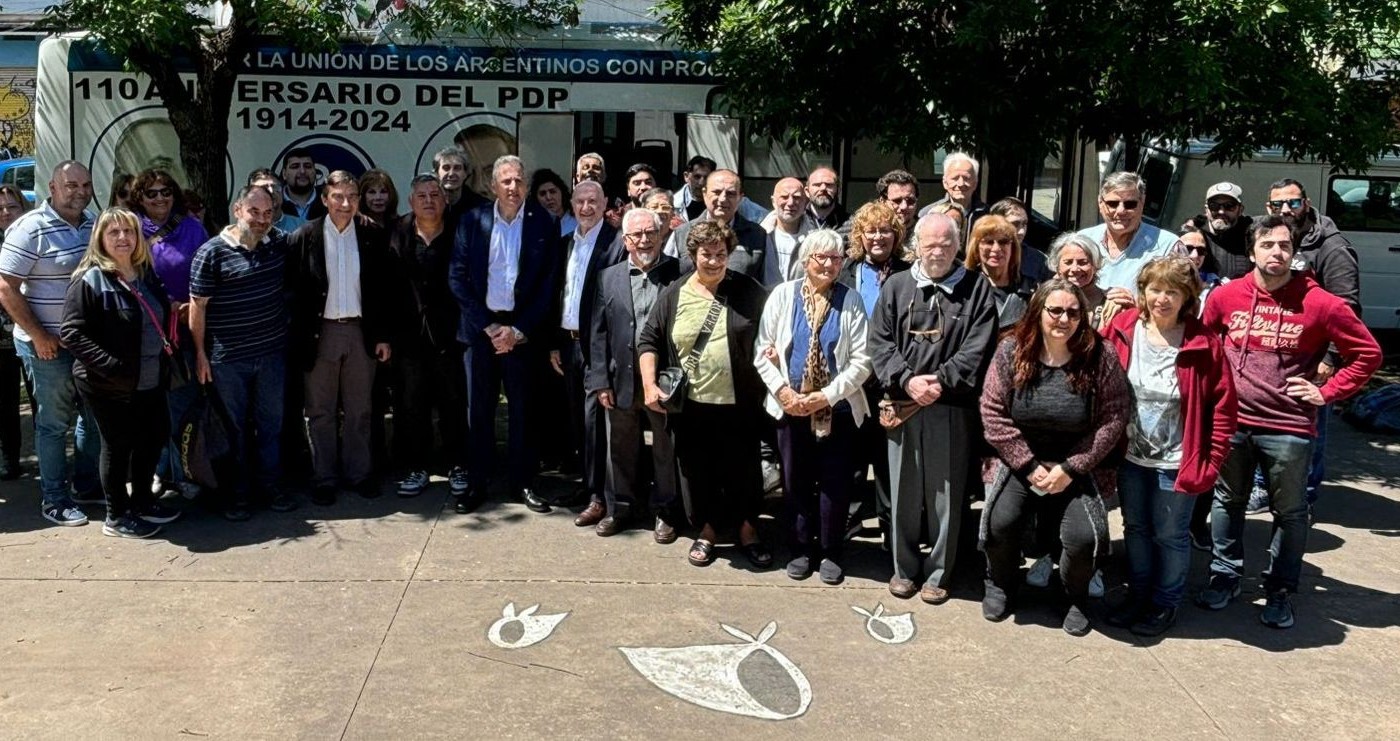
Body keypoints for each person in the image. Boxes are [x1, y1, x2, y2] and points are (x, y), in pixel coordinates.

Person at [1198, 215, 1381, 628]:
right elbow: (1205, 345)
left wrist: (1327, 392)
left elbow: (1368, 354)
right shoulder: (1226, 297)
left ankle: (1280, 590)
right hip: (1232, 422)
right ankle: (1224, 577)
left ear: (1294, 252)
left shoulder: (1320, 302)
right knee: (1227, 502)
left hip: (1289, 427)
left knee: (1291, 512)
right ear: (1251, 252)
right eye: (1267, 245)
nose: (1277, 252)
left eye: (1284, 245)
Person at [979, 278, 1130, 635]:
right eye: (1056, 310)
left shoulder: (1100, 355)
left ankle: (1072, 595)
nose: (1064, 319)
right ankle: (1000, 583)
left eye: (1073, 313)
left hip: (1076, 463)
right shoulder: (1012, 350)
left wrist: (1071, 467)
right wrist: (1028, 465)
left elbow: (1114, 417)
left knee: (1084, 538)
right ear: (1038, 311)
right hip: (1021, 460)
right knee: (1000, 522)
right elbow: (992, 410)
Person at [1102, 257, 1237, 636]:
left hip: (1178, 461)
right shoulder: (1123, 328)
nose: (1162, 299)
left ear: (1187, 297)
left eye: (1172, 292)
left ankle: (1165, 603)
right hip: (1130, 456)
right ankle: (1138, 595)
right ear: (1143, 291)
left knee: (1170, 535)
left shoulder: (1203, 343)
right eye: (1155, 289)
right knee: (1136, 529)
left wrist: (1212, 462)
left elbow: (1224, 409)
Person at [869, 213, 998, 604]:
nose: (937, 251)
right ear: (917, 246)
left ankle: (940, 572)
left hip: (951, 407)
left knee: (947, 495)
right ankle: (904, 569)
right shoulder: (896, 286)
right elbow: (880, 342)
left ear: (958, 246)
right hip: (902, 404)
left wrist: (941, 381)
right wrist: (907, 379)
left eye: (945, 244)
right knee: (903, 492)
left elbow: (978, 347)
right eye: (930, 244)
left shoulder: (977, 288)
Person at [638, 220, 772, 569]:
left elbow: (774, 327)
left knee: (744, 472)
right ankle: (708, 531)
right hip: (692, 406)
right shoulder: (675, 293)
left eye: (720, 254)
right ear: (693, 255)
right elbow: (649, 339)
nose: (714, 261)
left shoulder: (748, 290)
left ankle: (748, 531)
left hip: (740, 404)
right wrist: (650, 385)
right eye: (706, 255)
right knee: (698, 474)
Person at [755, 229, 872, 585]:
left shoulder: (851, 300)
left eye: (836, 258)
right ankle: (800, 547)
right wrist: (784, 393)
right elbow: (762, 350)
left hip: (837, 409)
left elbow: (862, 360)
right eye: (822, 257)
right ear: (806, 261)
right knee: (795, 481)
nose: (829, 264)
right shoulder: (783, 295)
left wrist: (826, 396)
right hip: (790, 408)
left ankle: (831, 551)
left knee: (836, 483)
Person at [60, 208, 182, 538]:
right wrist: (110, 366)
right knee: (118, 446)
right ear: (100, 238)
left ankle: (142, 501)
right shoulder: (89, 278)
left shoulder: (145, 272)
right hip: (107, 383)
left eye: (129, 231)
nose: (123, 238)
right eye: (113, 232)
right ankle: (116, 516)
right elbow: (71, 333)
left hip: (150, 377)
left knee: (153, 437)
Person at [449, 155, 561, 513]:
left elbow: (548, 284)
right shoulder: (472, 220)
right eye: (506, 181)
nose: (513, 187)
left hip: (521, 332)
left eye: (518, 180)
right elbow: (457, 277)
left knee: (523, 411)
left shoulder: (544, 222)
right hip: (481, 330)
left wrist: (518, 329)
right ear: (492, 186)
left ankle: (523, 482)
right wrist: (489, 326)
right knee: (479, 411)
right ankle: (477, 483)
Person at [0, 161, 102, 525]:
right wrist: (40, 336)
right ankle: (55, 498)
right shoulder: (30, 228)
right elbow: (5, 287)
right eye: (71, 185)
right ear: (53, 188)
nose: (80, 192)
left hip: (87, 345)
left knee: (94, 419)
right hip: (47, 346)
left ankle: (87, 486)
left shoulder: (94, 224)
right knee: (54, 423)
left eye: (85, 185)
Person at [188, 185, 297, 520]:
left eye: (268, 213)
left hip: (271, 355)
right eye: (254, 212)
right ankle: (237, 494)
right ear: (238, 210)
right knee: (232, 430)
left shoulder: (277, 244)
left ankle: (271, 487)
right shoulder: (211, 253)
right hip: (227, 360)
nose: (261, 219)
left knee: (271, 425)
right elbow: (197, 307)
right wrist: (200, 354)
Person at [286, 171, 394, 506]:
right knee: (320, 411)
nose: (346, 204)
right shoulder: (304, 236)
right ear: (325, 199)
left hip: (360, 332)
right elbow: (292, 293)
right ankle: (324, 478)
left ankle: (359, 474)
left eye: (352, 197)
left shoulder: (372, 235)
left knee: (360, 409)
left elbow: (382, 292)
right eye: (338, 196)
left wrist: (382, 336)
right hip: (321, 334)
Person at [1262, 177, 1362, 510]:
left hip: (1314, 359)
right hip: (1275, 354)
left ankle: (1302, 498)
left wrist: (1331, 358)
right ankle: (1269, 490)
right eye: (1278, 204)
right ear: (1268, 207)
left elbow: (1347, 308)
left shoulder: (1332, 247)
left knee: (1308, 429)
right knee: (1272, 425)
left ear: (1306, 203)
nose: (1286, 209)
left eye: (1293, 202)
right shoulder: (1274, 238)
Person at [586, 207, 683, 540]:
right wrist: (600, 380)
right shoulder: (608, 277)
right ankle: (621, 509)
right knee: (620, 448)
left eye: (650, 232)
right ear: (625, 240)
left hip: (663, 379)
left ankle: (666, 511)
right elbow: (597, 332)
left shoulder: (679, 273)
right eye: (636, 234)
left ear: (661, 234)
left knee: (665, 449)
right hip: (621, 379)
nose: (644, 240)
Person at [129, 168, 209, 499]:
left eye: (166, 192)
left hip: (186, 332)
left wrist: (193, 305)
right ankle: (155, 470)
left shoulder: (192, 228)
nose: (160, 198)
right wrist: (163, 305)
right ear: (139, 198)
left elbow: (207, 272)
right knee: (148, 407)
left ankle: (183, 471)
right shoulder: (130, 229)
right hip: (145, 332)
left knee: (182, 404)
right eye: (151, 193)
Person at [388, 175, 470, 498]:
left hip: (451, 335)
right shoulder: (397, 232)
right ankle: (417, 467)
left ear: (445, 200)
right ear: (411, 201)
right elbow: (384, 286)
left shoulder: (460, 231)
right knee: (412, 404)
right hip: (409, 336)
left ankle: (458, 464)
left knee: (453, 402)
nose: (428, 201)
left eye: (435, 194)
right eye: (421, 196)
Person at [838, 201, 910, 543]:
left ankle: (890, 531)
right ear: (860, 235)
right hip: (854, 377)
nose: (878, 237)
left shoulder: (909, 272)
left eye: (885, 231)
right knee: (850, 457)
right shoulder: (847, 270)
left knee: (887, 459)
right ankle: (849, 521)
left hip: (891, 378)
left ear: (896, 235)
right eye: (871, 231)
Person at [551, 180, 622, 526]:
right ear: (572, 203)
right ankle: (586, 484)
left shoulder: (616, 243)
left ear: (605, 203)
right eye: (580, 201)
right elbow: (560, 294)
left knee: (596, 423)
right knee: (578, 420)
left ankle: (600, 497)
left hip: (598, 346)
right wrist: (555, 343)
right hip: (569, 344)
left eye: (593, 201)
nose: (586, 207)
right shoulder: (567, 243)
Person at [1075, 171, 1177, 299]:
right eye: (1113, 204)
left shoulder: (1168, 246)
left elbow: (1186, 301)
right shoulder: (1083, 240)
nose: (1121, 211)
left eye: (1130, 204)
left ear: (1142, 203)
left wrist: (1136, 306)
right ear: (1100, 203)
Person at [668, 169, 768, 280]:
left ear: (740, 198)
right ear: (704, 193)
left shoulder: (758, 235)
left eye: (730, 194)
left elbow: (767, 281)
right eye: (716, 192)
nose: (723, 199)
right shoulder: (682, 233)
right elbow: (668, 280)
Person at [0, 184, 30, 479]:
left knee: (43, 402)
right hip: (2, 340)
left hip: (35, 332)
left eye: (12, 207)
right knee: (5, 402)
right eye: (0, 209)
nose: (6, 212)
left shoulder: (31, 237)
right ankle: (10, 458)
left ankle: (54, 463)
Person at [964, 214, 1037, 330]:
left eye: (1003, 242)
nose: (996, 249)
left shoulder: (1030, 289)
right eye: (989, 242)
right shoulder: (965, 287)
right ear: (976, 247)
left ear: (1013, 247)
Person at [1049, 232, 1116, 330]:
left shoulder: (1110, 304)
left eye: (1083, 262)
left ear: (1095, 266)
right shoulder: (1044, 299)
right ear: (1057, 267)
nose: (1075, 269)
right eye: (1068, 262)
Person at [1191, 182, 1254, 281]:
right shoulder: (1193, 236)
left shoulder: (1252, 237)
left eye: (1229, 206)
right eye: (1214, 206)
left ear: (1240, 210)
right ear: (1206, 209)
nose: (1221, 211)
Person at [761, 177, 815, 286]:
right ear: (773, 201)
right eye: (784, 197)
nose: (790, 203)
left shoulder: (814, 240)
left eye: (797, 197)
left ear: (805, 202)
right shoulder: (759, 235)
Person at [989, 196, 1053, 280]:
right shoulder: (982, 256)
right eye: (1015, 224)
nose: (1022, 231)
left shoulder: (1038, 260)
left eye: (1024, 224)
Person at [920, 152, 987, 228]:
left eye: (966, 178)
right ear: (945, 183)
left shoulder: (987, 214)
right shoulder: (928, 214)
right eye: (955, 178)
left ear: (975, 184)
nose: (961, 184)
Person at [437, 147, 487, 228]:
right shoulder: (429, 204)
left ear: (465, 174)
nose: (451, 174)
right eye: (446, 168)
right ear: (437, 173)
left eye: (457, 168)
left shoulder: (482, 208)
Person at [877, 169, 921, 258]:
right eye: (897, 201)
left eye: (910, 201)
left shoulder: (925, 232)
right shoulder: (871, 232)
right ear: (882, 201)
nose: (904, 206)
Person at [279, 148, 326, 228]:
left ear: (315, 171)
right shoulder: (274, 203)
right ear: (284, 174)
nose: (302, 171)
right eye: (295, 166)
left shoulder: (329, 202)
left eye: (308, 166)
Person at [246, 169, 300, 234]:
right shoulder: (243, 230)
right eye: (264, 188)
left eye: (275, 187)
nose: (271, 191)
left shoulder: (303, 227)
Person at [530, 168, 575, 237]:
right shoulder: (532, 227)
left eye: (552, 192)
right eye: (542, 194)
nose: (548, 197)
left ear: (562, 192)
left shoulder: (577, 223)